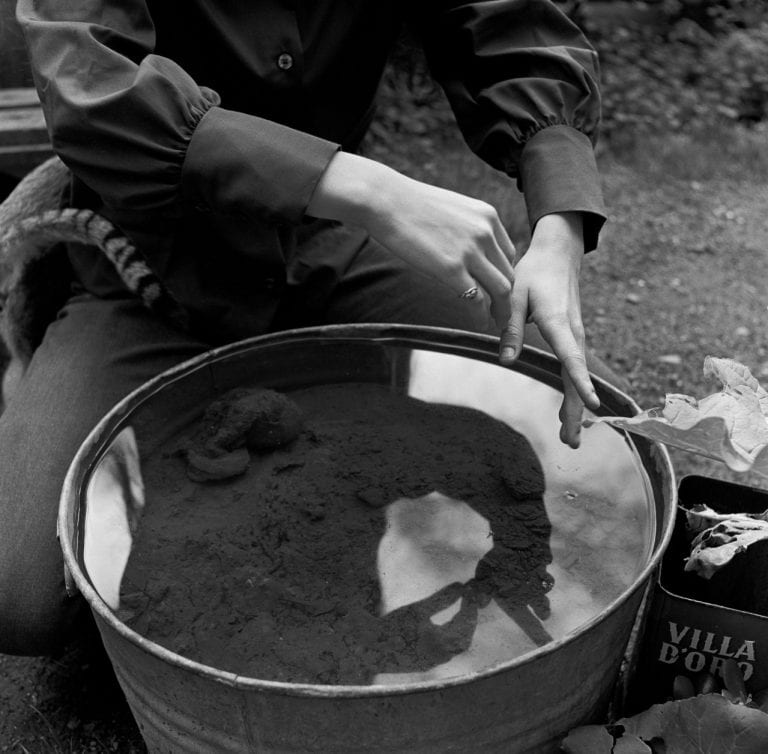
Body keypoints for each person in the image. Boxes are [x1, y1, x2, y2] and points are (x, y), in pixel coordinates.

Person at [1, 0, 607, 656]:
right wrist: (368, 189)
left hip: (325, 249)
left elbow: (508, 25)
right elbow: (93, 86)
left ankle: (308, 471)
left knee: (585, 428)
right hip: (144, 266)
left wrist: (559, 222)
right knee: (22, 596)